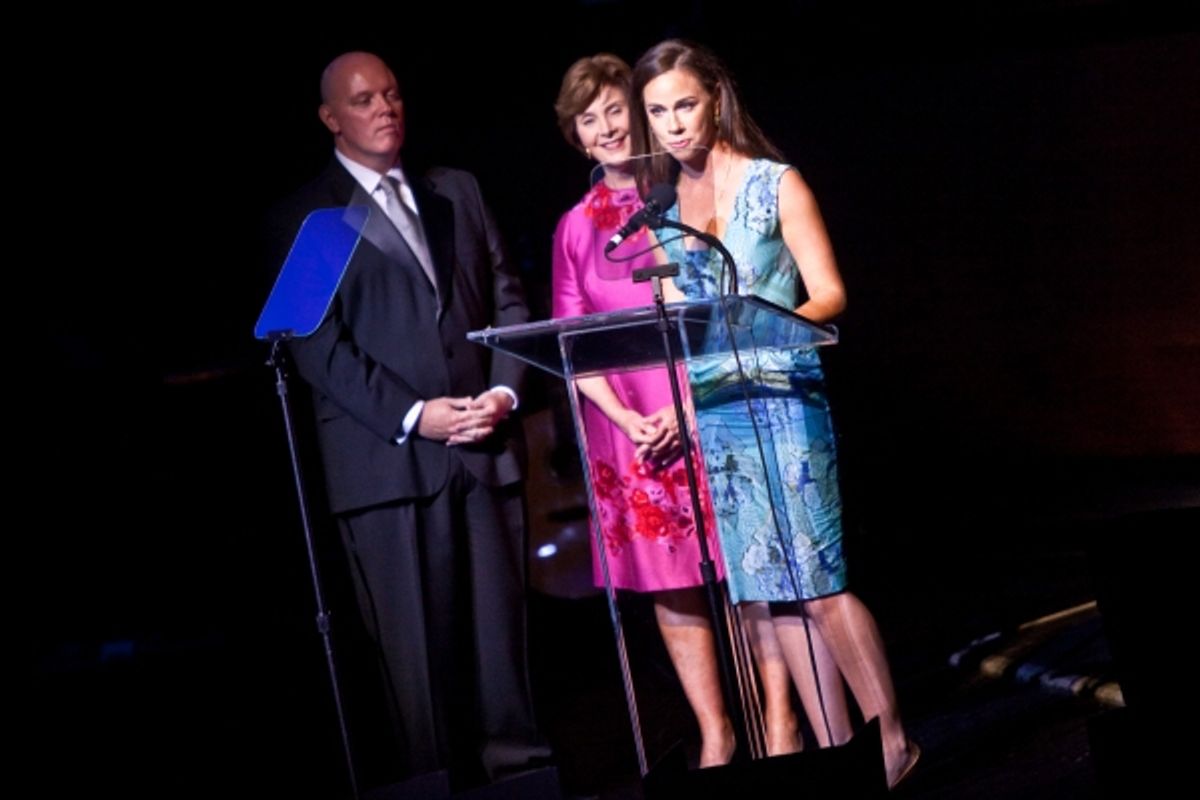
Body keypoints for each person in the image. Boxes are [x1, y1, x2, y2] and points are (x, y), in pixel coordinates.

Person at [631, 39, 921, 789]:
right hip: (722, 417)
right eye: (657, 112)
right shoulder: (662, 213)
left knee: (819, 580)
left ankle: (892, 740)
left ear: (716, 98)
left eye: (684, 105)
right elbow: (674, 323)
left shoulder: (775, 182)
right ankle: (839, 752)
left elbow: (828, 294)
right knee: (770, 589)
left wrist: (758, 325)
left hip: (786, 400)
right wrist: (676, 407)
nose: (673, 124)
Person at [267, 51, 550, 790]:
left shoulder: (454, 190)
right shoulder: (315, 216)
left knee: (501, 654)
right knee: (420, 668)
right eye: (364, 100)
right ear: (332, 118)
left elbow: (508, 297)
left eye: (392, 94)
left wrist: (504, 393)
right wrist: (414, 415)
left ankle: (522, 781)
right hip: (387, 469)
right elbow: (315, 348)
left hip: (485, 449)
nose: (385, 108)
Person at [550, 53, 736, 767]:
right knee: (671, 584)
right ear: (576, 135)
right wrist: (631, 423)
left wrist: (689, 405)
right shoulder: (576, 227)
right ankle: (716, 732)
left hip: (706, 405)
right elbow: (567, 340)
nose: (605, 127)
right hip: (627, 430)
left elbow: (727, 310)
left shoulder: (686, 193)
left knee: (739, 571)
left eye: (614, 110)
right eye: (587, 118)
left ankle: (777, 722)